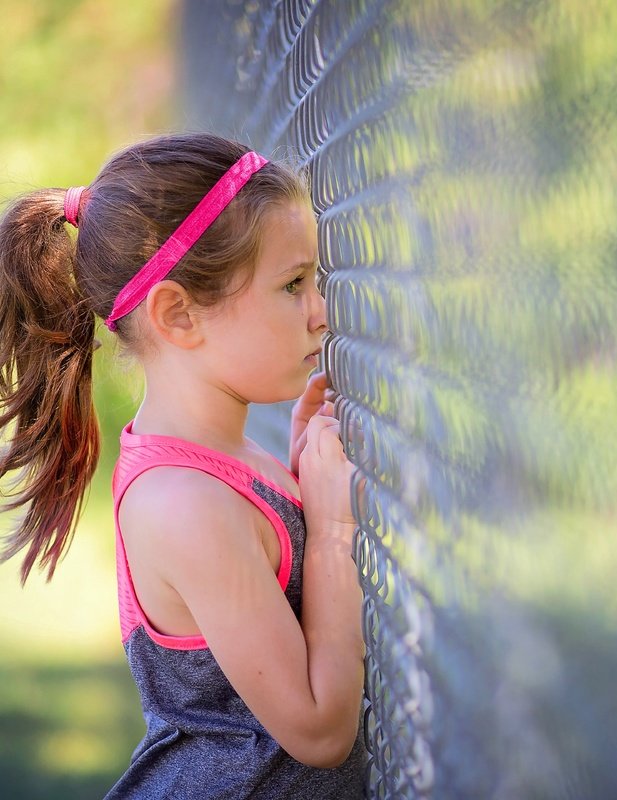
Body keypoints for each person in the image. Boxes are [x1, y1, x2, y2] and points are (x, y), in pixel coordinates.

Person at [0, 133, 366, 798]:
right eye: (292, 285)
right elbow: (318, 731)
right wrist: (334, 530)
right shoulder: (183, 503)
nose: (321, 313)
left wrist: (302, 475)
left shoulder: (219, 463)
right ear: (178, 315)